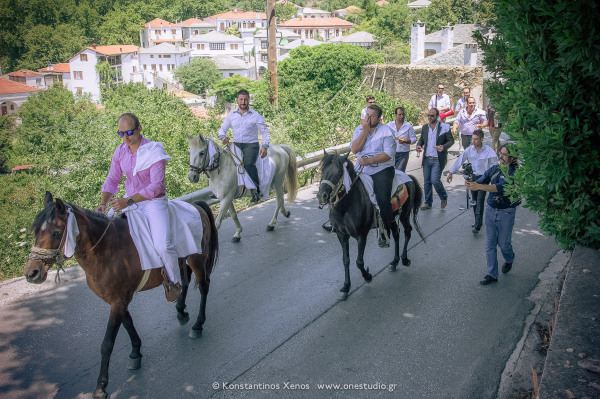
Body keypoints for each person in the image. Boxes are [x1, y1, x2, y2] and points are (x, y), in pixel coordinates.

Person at [96, 113, 181, 302]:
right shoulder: (120, 151)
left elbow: (156, 186)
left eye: (129, 132)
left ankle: (174, 282)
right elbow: (112, 179)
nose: (125, 138)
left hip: (153, 202)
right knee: (105, 230)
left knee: (162, 245)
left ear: (139, 128)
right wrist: (103, 203)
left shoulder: (154, 150)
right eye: (121, 133)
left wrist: (129, 201)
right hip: (130, 201)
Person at [465, 144, 520, 285]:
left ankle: (509, 259)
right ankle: (492, 274)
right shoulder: (495, 169)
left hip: (506, 212)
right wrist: (471, 183)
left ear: (512, 158)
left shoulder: (514, 173)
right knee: (490, 245)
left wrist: (479, 187)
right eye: (500, 153)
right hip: (491, 210)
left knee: (504, 244)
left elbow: (498, 188)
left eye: (504, 154)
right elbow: (481, 180)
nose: (500, 156)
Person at [352, 104, 397, 247]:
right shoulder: (359, 130)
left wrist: (369, 161)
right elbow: (355, 149)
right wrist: (364, 131)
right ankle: (335, 221)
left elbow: (388, 154)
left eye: (372, 116)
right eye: (367, 114)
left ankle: (386, 231)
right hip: (361, 168)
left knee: (382, 199)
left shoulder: (387, 131)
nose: (368, 118)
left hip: (381, 169)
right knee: (344, 189)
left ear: (378, 119)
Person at [218, 89, 269, 203]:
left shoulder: (256, 116)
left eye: (246, 99)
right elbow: (222, 129)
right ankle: (219, 188)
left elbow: (265, 132)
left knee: (248, 163)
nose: (243, 102)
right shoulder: (231, 115)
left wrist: (265, 146)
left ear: (249, 100)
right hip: (236, 145)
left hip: (251, 145)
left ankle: (256, 190)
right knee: (221, 159)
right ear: (237, 100)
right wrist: (222, 137)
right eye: (241, 99)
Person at [446, 129, 499, 234]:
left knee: (480, 200)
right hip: (473, 177)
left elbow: (495, 165)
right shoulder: (469, 150)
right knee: (474, 200)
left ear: (482, 139)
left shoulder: (489, 151)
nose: (473, 141)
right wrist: (451, 172)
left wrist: (495, 179)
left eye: (476, 139)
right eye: (472, 139)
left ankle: (477, 226)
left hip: (484, 177)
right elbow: (459, 160)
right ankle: (477, 220)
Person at [416, 108, 454, 210]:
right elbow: (421, 140)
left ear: (437, 116)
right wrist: (419, 146)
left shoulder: (444, 127)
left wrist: (443, 147)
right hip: (427, 158)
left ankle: (443, 197)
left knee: (435, 180)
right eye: (428, 115)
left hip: (438, 159)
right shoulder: (425, 128)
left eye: (432, 116)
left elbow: (451, 141)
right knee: (427, 181)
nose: (429, 117)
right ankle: (428, 203)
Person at [386, 106, 416, 172]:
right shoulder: (389, 125)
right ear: (395, 115)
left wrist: (405, 141)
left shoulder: (408, 126)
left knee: (399, 173)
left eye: (403, 114)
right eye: (400, 114)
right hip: (391, 153)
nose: (402, 116)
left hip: (403, 154)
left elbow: (414, 139)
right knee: (390, 173)